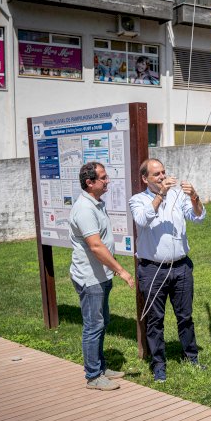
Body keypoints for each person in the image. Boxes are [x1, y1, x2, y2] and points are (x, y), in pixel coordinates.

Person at [128, 159, 206, 383]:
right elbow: (143, 220)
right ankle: (158, 365)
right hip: (152, 270)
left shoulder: (177, 195)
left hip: (181, 267)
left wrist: (195, 198)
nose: (162, 176)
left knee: (185, 317)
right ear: (145, 179)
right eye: (156, 174)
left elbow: (198, 217)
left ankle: (191, 357)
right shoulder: (138, 200)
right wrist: (160, 194)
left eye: (163, 172)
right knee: (155, 320)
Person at [69, 162, 136, 390]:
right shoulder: (85, 210)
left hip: (101, 276)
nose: (108, 181)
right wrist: (122, 271)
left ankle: (100, 365)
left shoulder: (96, 204)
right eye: (103, 178)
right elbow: (96, 247)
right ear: (90, 182)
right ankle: (93, 376)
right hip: (90, 279)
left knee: (102, 322)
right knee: (93, 325)